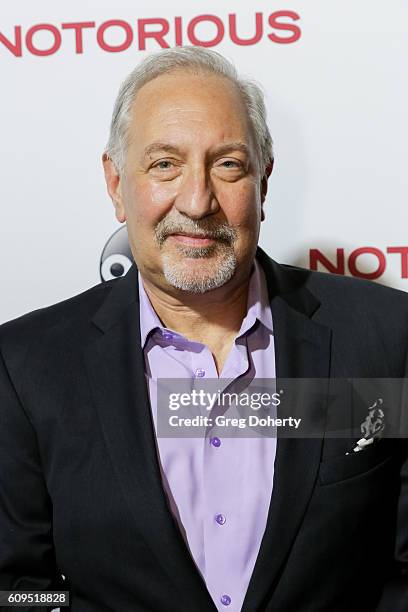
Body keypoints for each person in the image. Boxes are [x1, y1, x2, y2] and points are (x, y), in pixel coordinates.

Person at [0, 46, 407, 612]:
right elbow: (17, 590)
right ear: (117, 184)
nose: (197, 202)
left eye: (228, 165)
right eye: (165, 164)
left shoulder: (384, 339)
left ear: (264, 180)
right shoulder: (25, 366)